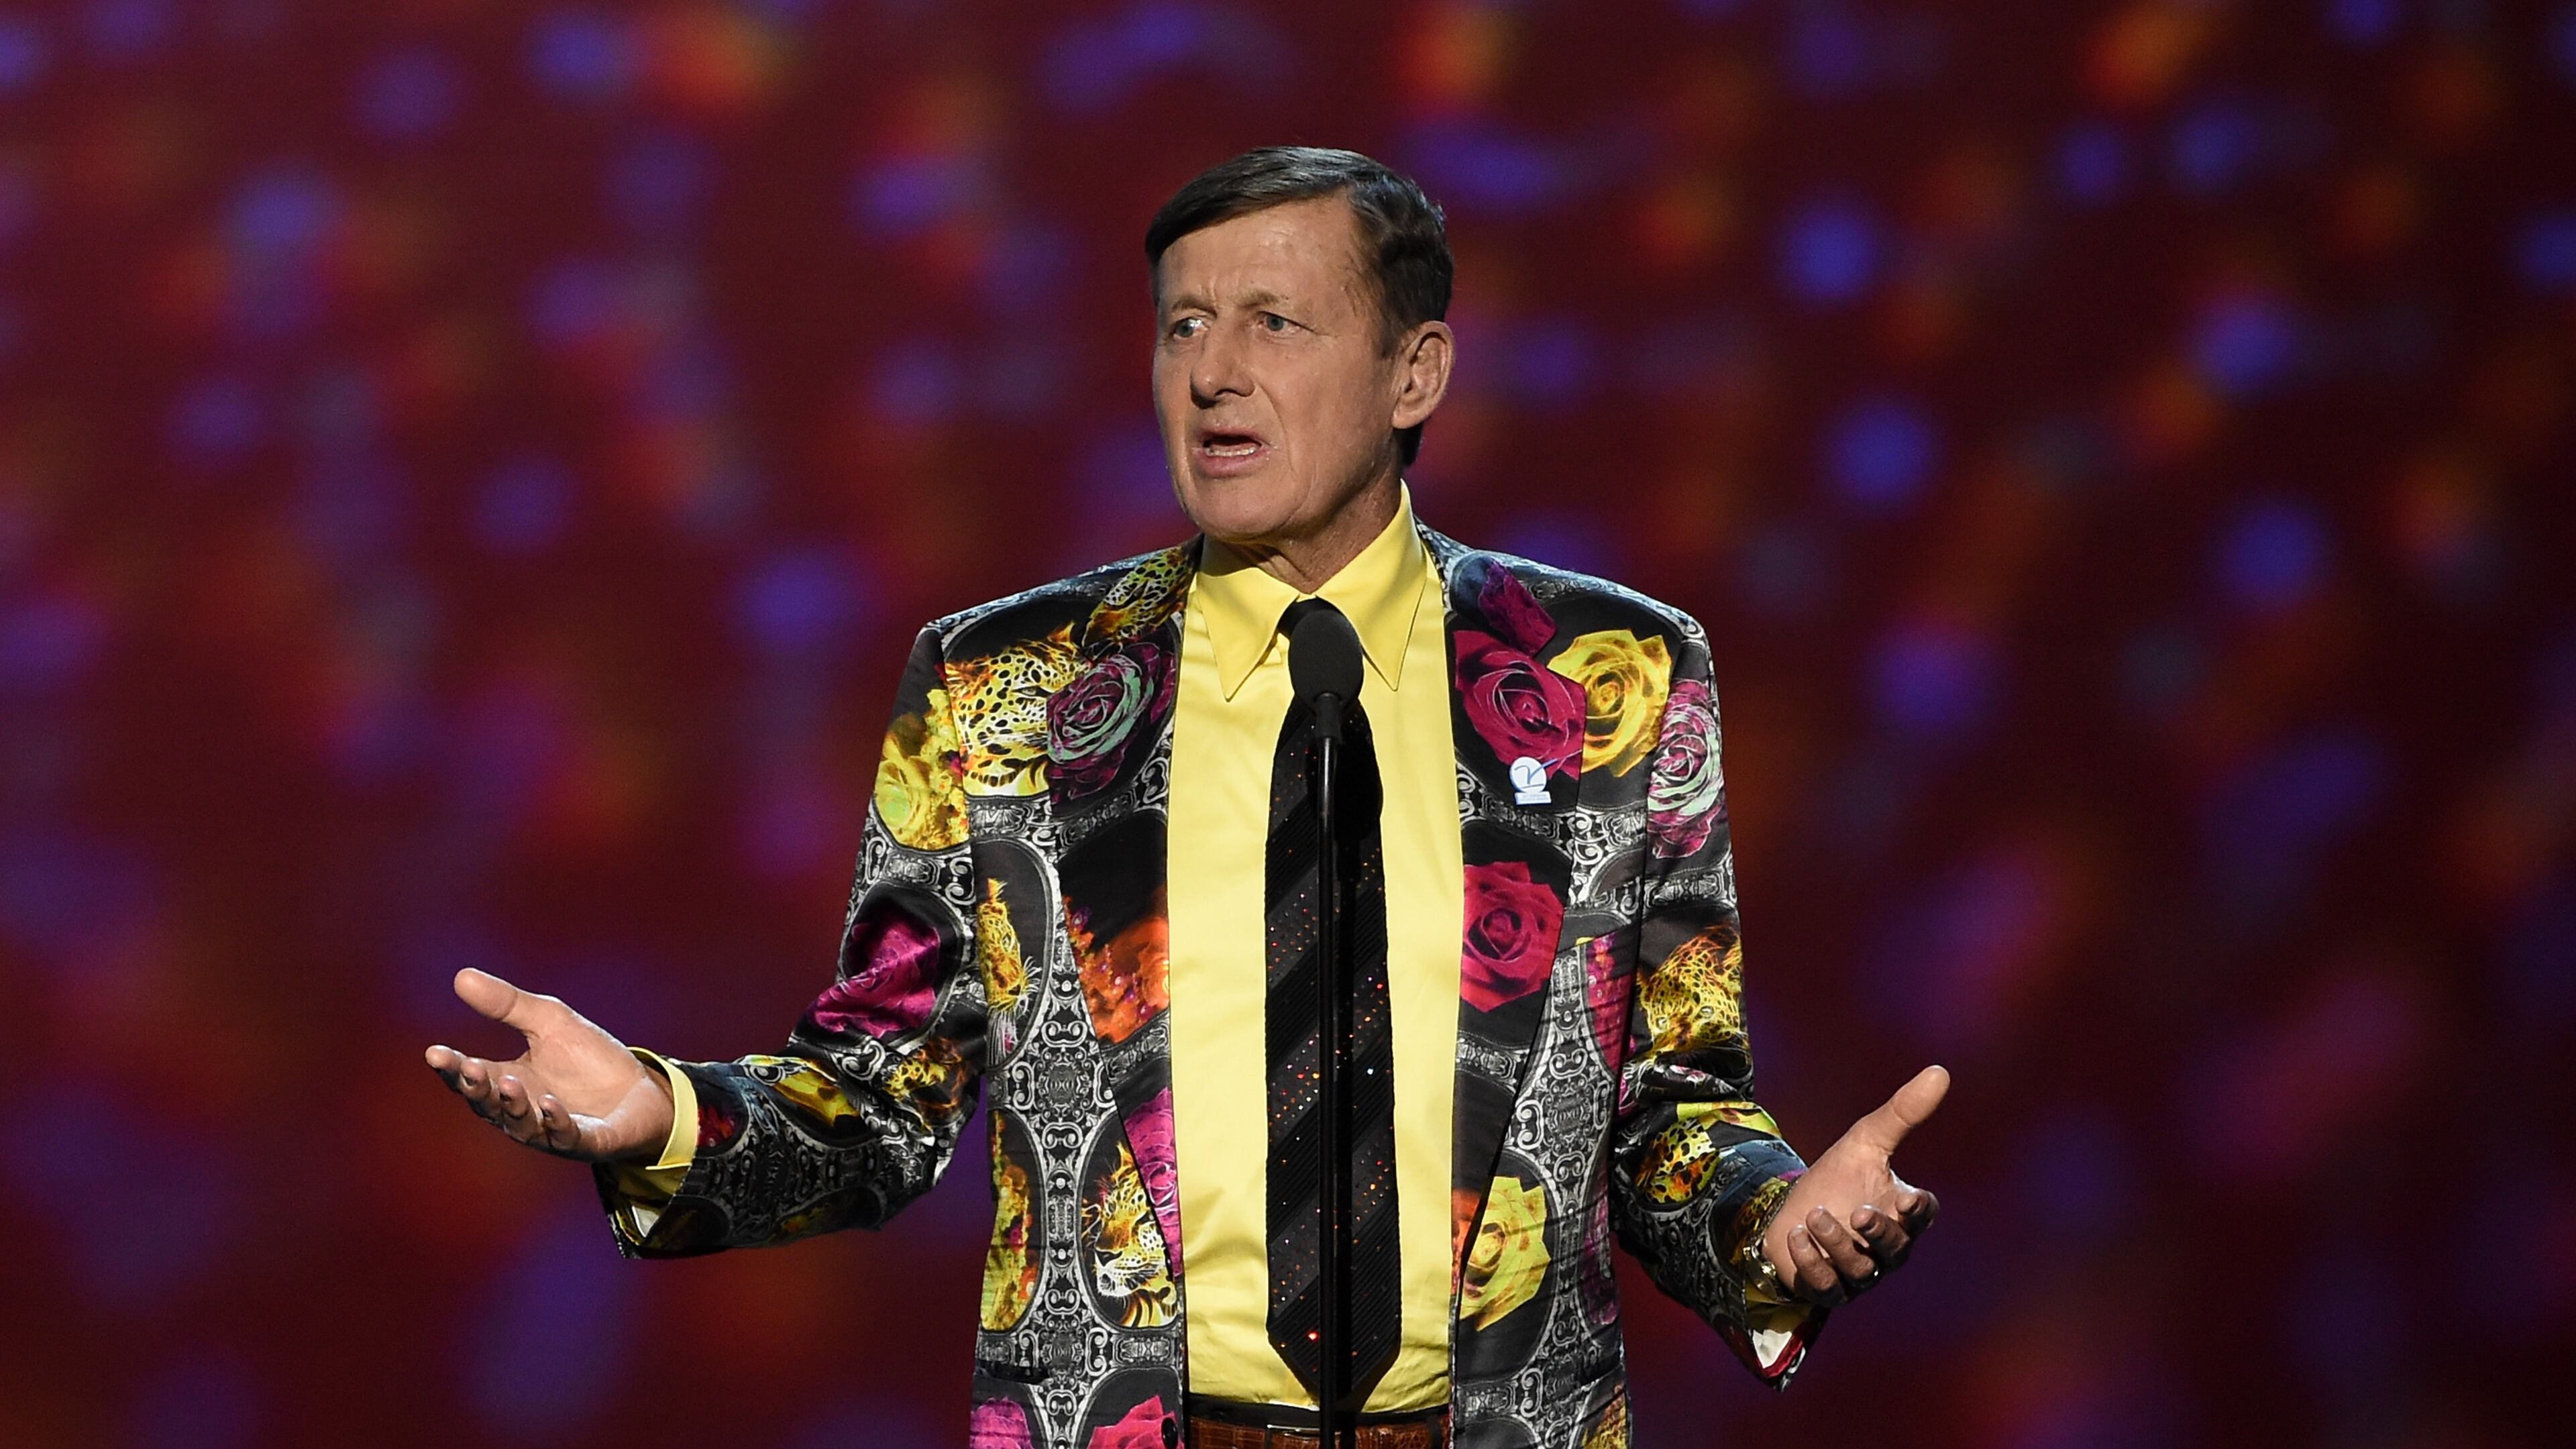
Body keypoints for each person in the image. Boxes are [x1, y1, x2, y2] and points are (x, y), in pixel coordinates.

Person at [425, 145, 1945, 1449]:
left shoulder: (1615, 677)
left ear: (1415, 370)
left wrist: (1774, 1226)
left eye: (1275, 322)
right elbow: (884, 1093)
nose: (1213, 372)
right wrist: (661, 1118)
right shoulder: (1003, 689)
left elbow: (1668, 1105)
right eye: (1182, 328)